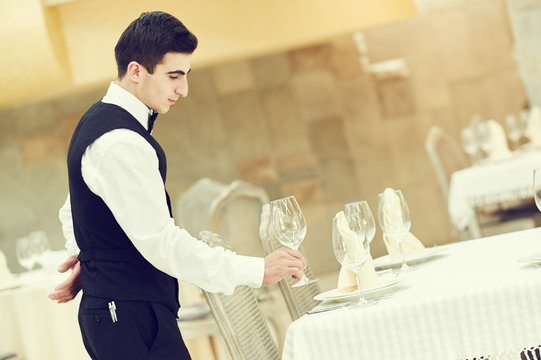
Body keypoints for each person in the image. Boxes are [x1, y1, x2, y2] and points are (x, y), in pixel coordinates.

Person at [48, 11, 306, 360]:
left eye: (185, 76)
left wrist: (89, 259)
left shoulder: (104, 121)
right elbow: (163, 244)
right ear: (137, 70)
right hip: (129, 319)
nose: (182, 90)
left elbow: (72, 208)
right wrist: (258, 270)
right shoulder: (121, 141)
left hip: (125, 314)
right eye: (174, 76)